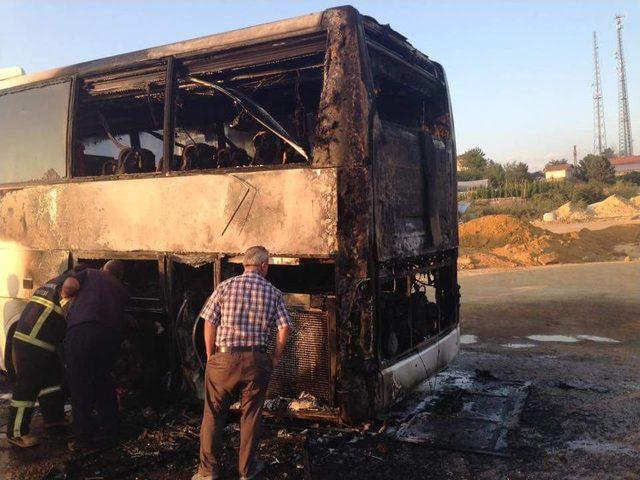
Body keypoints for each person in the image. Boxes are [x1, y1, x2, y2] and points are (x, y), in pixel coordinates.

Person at [193, 246, 292, 480]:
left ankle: (208, 472)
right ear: (264, 266)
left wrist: (211, 355)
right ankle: (246, 471)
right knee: (251, 416)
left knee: (213, 414)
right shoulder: (274, 292)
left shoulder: (224, 286)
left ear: (244, 264)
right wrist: (275, 357)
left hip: (223, 358)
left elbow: (208, 320)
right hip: (256, 360)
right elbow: (284, 327)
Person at [6, 265, 85, 448]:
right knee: (27, 388)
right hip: (32, 343)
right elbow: (68, 303)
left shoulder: (53, 283)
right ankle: (16, 433)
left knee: (51, 382)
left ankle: (54, 419)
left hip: (40, 343)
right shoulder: (69, 284)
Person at [62, 260, 129, 451]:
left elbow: (70, 285)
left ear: (103, 268)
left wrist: (65, 295)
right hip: (109, 337)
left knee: (80, 386)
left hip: (82, 332)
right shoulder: (123, 290)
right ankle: (110, 434)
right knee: (103, 384)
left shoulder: (90, 273)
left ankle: (83, 440)